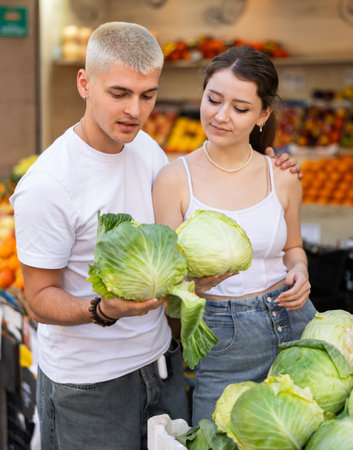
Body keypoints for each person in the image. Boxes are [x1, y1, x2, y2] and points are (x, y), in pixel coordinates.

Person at [11, 22, 300, 448]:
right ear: (84, 83)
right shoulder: (48, 183)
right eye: (120, 93)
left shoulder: (146, 149)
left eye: (148, 95)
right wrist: (103, 309)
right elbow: (37, 300)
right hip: (91, 387)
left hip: (162, 366)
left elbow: (175, 243)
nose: (135, 110)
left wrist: (266, 169)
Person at [152, 45, 317, 425]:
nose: (221, 116)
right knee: (218, 435)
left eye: (240, 108)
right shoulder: (174, 179)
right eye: (213, 100)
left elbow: (293, 248)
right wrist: (193, 284)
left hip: (294, 321)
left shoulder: (283, 176)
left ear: (263, 115)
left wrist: (301, 272)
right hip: (223, 338)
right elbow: (168, 285)